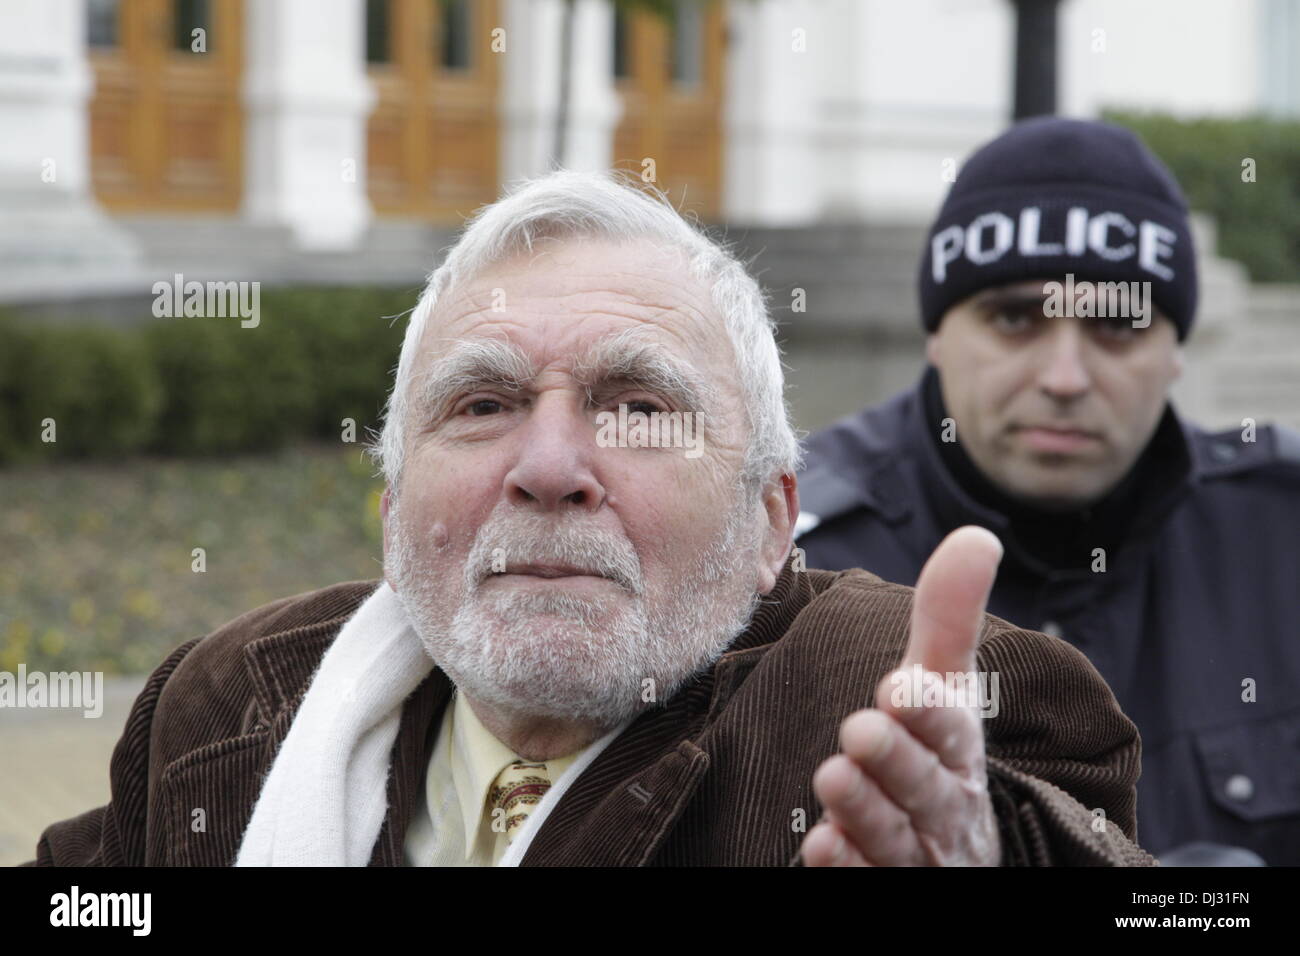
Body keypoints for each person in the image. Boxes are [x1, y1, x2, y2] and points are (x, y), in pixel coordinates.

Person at [27, 170, 1152, 867]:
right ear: (389, 509)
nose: (551, 466)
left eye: (639, 406)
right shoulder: (218, 708)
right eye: (482, 405)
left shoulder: (919, 705)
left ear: (773, 522)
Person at [796, 117, 1300, 865]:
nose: (1064, 378)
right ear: (937, 334)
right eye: (1014, 318)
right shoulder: (790, 556)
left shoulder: (1278, 533)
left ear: (1176, 351)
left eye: (1116, 324)